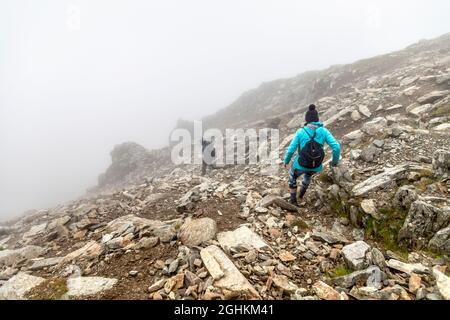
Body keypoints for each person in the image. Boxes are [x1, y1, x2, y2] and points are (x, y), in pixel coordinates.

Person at [283, 104, 341, 206]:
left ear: (307, 120)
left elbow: (291, 149)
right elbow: (336, 147)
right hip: (316, 165)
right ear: (317, 119)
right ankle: (301, 194)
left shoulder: (301, 132)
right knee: (308, 174)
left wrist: (286, 161)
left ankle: (293, 200)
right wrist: (334, 163)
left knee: (292, 175)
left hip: (300, 164)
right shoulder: (324, 131)